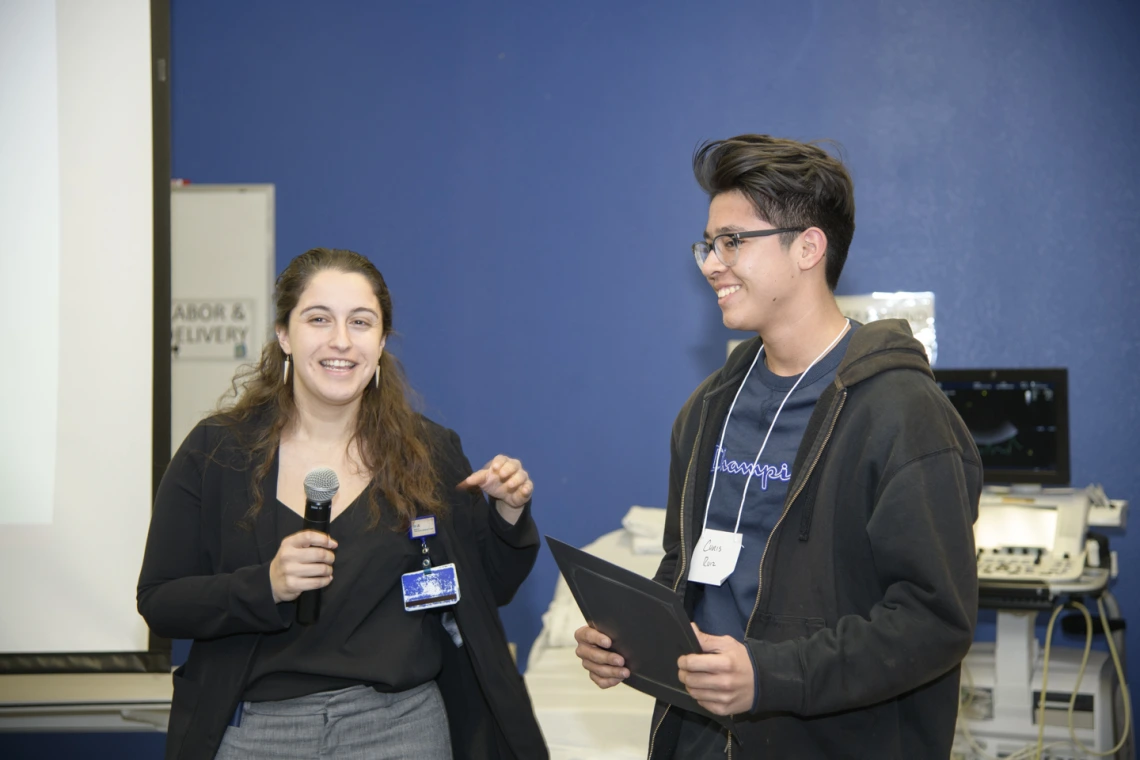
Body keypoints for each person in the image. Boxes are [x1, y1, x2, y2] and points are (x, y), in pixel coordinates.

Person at [573, 135, 981, 759]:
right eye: (708, 245)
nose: (711, 263)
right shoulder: (708, 409)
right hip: (701, 738)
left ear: (808, 248)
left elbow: (933, 621)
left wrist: (769, 675)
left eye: (733, 241)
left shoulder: (901, 414)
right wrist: (631, 641)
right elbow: (689, 569)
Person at [138, 247, 548, 760]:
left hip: (402, 731)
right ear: (285, 335)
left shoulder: (429, 452)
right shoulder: (216, 452)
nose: (341, 340)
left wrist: (507, 515)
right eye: (318, 319)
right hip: (257, 734)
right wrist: (264, 585)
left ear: (380, 343)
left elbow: (486, 590)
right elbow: (160, 602)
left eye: (360, 322)